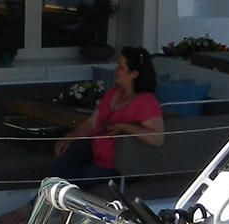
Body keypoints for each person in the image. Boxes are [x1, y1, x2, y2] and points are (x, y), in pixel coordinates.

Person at [52, 45, 164, 188]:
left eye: (121, 68)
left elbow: (157, 138)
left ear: (134, 74)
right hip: (95, 151)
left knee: (81, 177)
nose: (116, 70)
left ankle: (58, 198)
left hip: (118, 165)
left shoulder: (146, 101)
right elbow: (91, 123)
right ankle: (46, 197)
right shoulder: (113, 93)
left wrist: (124, 127)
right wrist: (68, 138)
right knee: (65, 160)